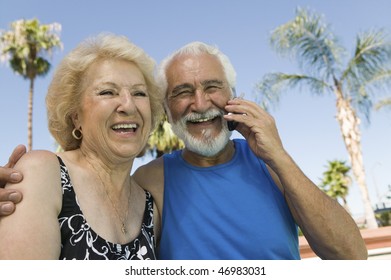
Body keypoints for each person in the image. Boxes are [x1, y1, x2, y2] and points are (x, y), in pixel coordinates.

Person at [0, 41, 367, 260]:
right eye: (182, 92)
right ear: (168, 110)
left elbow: (352, 256)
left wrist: (280, 156)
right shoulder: (151, 182)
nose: (200, 102)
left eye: (212, 87)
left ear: (232, 97)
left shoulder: (270, 165)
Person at [0, 33, 164, 260]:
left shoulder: (150, 208)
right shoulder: (44, 174)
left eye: (139, 93)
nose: (129, 105)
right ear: (75, 117)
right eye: (108, 91)